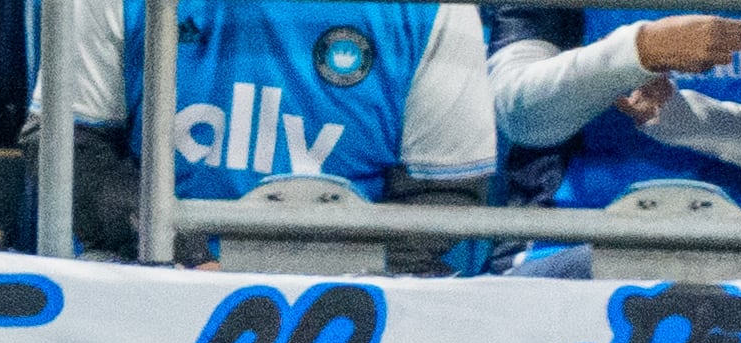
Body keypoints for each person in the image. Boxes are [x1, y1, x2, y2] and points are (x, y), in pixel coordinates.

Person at [34, 0, 496, 270]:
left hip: (355, 298)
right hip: (157, 276)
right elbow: (67, 149)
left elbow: (446, 194)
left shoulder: (437, 11)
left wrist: (338, 291)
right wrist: (188, 262)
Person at [484, 10, 741, 229]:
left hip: (740, 240)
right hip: (563, 237)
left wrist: (694, 121)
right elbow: (518, 111)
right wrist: (639, 51)